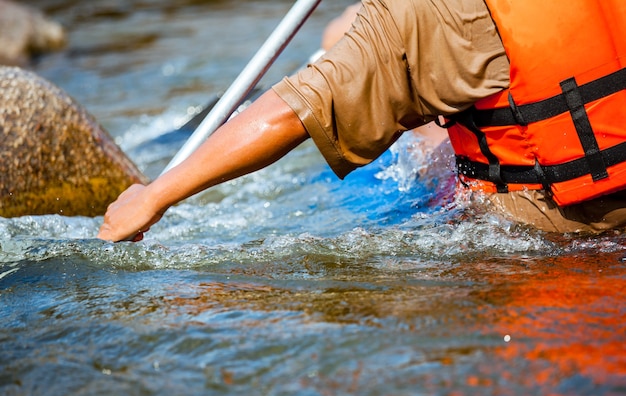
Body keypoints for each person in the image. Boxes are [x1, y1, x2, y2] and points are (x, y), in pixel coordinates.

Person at [98, 0, 626, 242]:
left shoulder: (423, 13)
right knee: (346, 30)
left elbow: (291, 113)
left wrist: (155, 195)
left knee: (343, 47)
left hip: (549, 234)